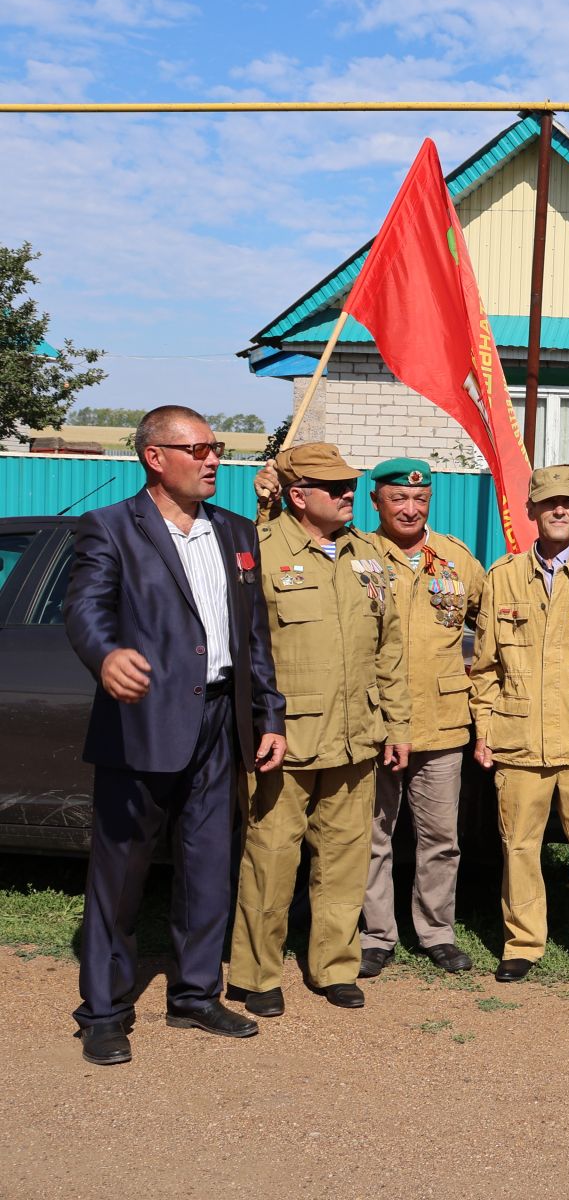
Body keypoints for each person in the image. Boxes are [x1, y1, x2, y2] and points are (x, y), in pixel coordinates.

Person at [64, 406, 287, 1065]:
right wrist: (105, 656)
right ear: (154, 457)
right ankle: (103, 1012)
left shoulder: (236, 531)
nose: (212, 458)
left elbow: (254, 637)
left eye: (215, 447)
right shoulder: (110, 528)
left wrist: (267, 714)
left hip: (221, 722)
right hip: (142, 722)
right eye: (196, 448)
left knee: (208, 865)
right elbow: (85, 606)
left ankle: (194, 995)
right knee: (121, 873)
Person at [253, 454, 482, 978]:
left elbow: (487, 625)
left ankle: (437, 930)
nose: (410, 508)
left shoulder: (456, 559)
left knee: (440, 838)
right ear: (376, 501)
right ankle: (376, 933)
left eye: (420, 499)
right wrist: (266, 497)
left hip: (442, 720)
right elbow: (272, 553)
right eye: (397, 498)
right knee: (370, 838)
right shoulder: (353, 550)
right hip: (369, 724)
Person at [228, 443, 409, 1017]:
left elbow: (391, 650)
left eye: (349, 485)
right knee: (270, 860)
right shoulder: (259, 549)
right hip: (285, 740)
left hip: (358, 737)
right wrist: (259, 721)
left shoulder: (369, 556)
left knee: (345, 860)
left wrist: (396, 725)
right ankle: (256, 975)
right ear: (297, 494)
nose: (347, 494)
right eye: (333, 488)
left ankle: (333, 966)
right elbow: (245, 649)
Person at [471, 465, 569, 983]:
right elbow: (487, 666)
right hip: (518, 737)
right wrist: (483, 729)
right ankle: (523, 941)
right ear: (532, 511)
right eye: (548, 503)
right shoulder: (503, 577)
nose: (559, 510)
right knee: (519, 845)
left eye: (568, 503)